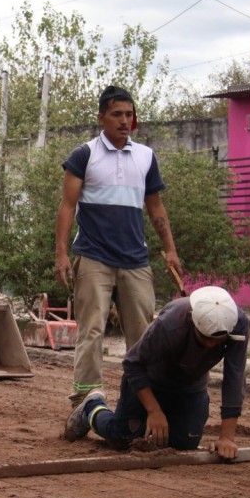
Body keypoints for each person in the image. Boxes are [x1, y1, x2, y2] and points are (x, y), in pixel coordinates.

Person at [54, 84, 181, 409]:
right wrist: (62, 254)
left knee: (143, 334)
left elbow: (155, 207)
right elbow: (67, 206)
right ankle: (86, 400)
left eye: (129, 114)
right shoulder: (84, 155)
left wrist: (170, 249)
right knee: (91, 330)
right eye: (117, 114)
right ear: (102, 118)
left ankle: (140, 400)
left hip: (135, 259)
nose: (124, 120)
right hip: (94, 256)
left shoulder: (145, 157)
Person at [64, 286, 248, 459]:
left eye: (217, 342)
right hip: (150, 380)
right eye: (205, 339)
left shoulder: (238, 325)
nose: (210, 346)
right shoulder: (169, 324)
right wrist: (154, 411)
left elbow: (235, 377)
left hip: (189, 386)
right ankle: (91, 407)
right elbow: (132, 364)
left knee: (183, 444)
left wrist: (226, 438)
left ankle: (151, 422)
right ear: (193, 322)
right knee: (123, 438)